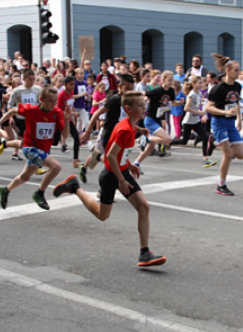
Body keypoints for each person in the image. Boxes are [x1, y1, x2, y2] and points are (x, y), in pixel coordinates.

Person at [53, 91, 166, 267]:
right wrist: (121, 180)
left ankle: (144, 253)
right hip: (111, 175)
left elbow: (120, 153)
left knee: (144, 207)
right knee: (102, 215)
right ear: (128, 109)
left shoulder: (130, 125)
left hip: (121, 171)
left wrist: (128, 165)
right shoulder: (125, 129)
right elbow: (111, 156)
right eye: (141, 106)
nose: (145, 108)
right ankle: (75, 187)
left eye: (145, 105)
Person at [0, 86, 70, 210]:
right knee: (56, 166)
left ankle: (6, 189)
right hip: (30, 147)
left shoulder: (57, 113)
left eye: (55, 101)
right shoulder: (32, 110)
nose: (53, 104)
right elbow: (12, 111)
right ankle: (39, 193)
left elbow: (65, 135)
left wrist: (67, 120)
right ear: (41, 99)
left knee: (25, 177)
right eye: (50, 101)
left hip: (43, 149)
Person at [206, 54, 243, 196]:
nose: (238, 73)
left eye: (239, 70)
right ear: (228, 70)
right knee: (228, 155)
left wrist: (239, 119)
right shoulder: (218, 88)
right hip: (219, 122)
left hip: (231, 123)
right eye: (236, 70)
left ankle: (214, 141)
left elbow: (236, 103)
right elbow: (208, 108)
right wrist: (224, 111)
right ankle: (221, 184)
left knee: (242, 154)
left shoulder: (237, 86)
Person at [170, 76, 217, 168]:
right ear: (194, 84)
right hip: (188, 121)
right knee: (184, 141)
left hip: (196, 121)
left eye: (201, 83)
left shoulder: (199, 94)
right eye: (199, 83)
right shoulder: (191, 94)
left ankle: (205, 159)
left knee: (204, 137)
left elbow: (200, 105)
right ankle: (167, 143)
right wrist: (199, 112)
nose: (201, 85)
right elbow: (186, 108)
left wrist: (203, 115)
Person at [55, 75, 81, 168]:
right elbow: (58, 110)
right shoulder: (61, 95)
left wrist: (72, 114)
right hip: (60, 119)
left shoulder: (71, 92)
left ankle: (75, 160)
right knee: (54, 141)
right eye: (70, 85)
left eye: (73, 85)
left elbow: (70, 105)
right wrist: (73, 114)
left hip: (68, 119)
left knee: (76, 137)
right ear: (65, 85)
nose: (72, 87)